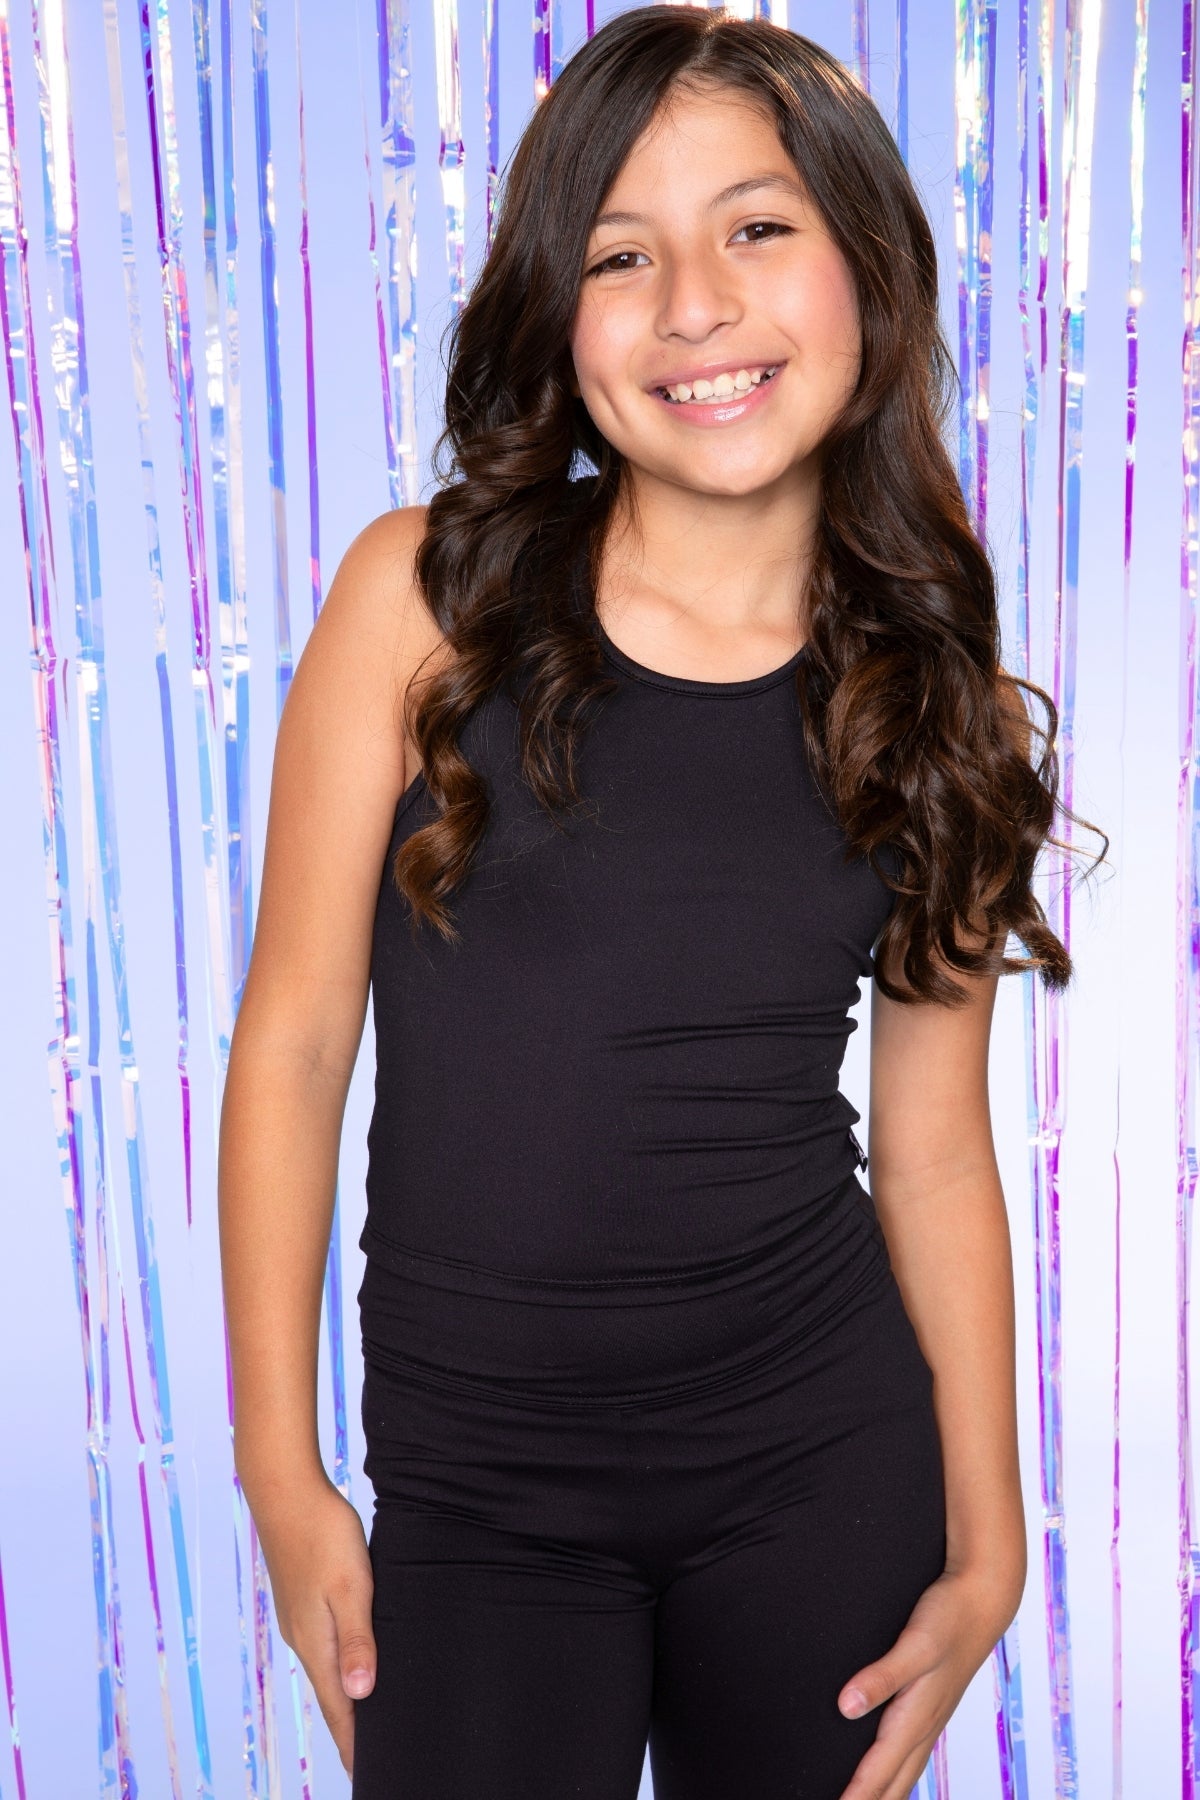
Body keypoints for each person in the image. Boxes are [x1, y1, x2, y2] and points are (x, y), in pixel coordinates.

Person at [218, 7, 1105, 1797]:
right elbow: (297, 1043)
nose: (696, 303)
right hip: (476, 1489)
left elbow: (936, 1151)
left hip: (819, 1465)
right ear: (560, 311)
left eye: (757, 227)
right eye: (623, 255)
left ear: (870, 272)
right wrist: (279, 1473)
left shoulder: (929, 692)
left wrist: (991, 1537)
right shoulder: (424, 600)